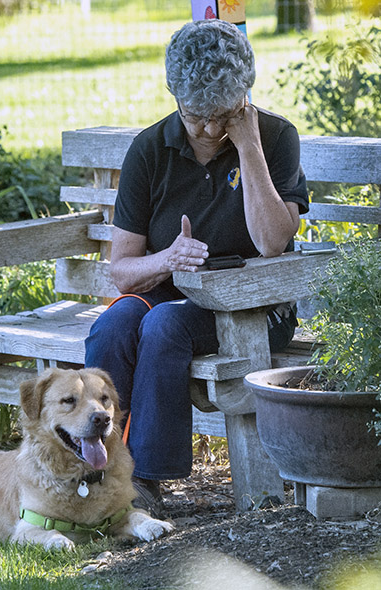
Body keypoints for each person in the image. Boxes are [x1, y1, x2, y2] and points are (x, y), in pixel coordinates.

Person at [85, 19, 309, 516]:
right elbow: (120, 270)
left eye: (224, 115)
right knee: (114, 326)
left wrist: (247, 146)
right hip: (174, 294)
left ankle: (144, 482)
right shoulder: (150, 147)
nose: (210, 130)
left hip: (256, 306)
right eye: (196, 116)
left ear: (244, 99)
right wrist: (168, 258)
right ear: (174, 96)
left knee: (163, 325)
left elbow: (273, 242)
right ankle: (93, 471)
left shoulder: (275, 137)